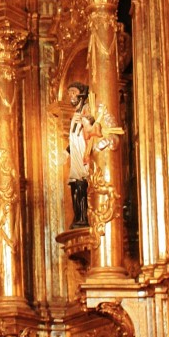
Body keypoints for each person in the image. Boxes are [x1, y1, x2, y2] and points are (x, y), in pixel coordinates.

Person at [66, 81, 93, 228]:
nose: (71, 95)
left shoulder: (86, 109)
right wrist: (66, 151)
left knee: (81, 183)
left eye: (74, 92)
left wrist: (84, 121)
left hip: (83, 155)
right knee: (74, 184)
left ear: (81, 94)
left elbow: (91, 128)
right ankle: (78, 216)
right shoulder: (75, 113)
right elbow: (74, 138)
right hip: (76, 154)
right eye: (69, 93)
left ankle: (83, 216)